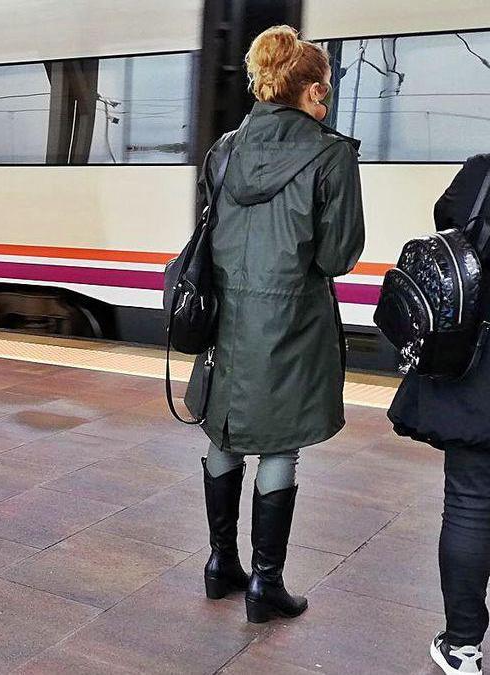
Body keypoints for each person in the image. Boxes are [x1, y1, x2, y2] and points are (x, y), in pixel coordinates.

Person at [186, 25, 365, 624]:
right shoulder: (331, 152)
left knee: (224, 431)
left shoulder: (225, 149)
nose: (329, 99)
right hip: (289, 318)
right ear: (310, 89)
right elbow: (337, 256)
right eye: (327, 88)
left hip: (225, 318)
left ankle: (219, 565)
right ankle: (266, 583)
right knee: (279, 443)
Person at [389, 153, 490, 675]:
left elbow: (446, 222)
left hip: (481, 376)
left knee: (471, 504)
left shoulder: (482, 171)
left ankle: (463, 647)